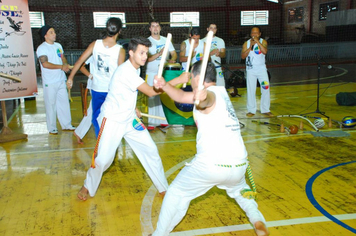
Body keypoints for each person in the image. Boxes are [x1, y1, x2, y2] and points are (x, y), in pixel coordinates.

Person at [151, 61, 269, 236]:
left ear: (198, 78)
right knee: (240, 192)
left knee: (176, 193)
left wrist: (203, 97)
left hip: (211, 166)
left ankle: (159, 234)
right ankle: (258, 221)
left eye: (191, 77)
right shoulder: (222, 93)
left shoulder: (210, 95)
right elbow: (180, 97)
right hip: (238, 165)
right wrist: (165, 86)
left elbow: (206, 101)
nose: (190, 80)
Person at [76, 37, 189, 201]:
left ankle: (163, 188)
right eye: (141, 53)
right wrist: (178, 79)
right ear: (131, 53)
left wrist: (132, 107)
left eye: (146, 53)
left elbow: (121, 89)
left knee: (150, 150)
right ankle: (87, 185)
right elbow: (150, 92)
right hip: (112, 120)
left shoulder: (134, 69)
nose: (145, 56)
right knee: (103, 160)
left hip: (129, 119)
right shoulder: (127, 71)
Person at [67, 17, 125, 137]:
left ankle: (101, 142)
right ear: (119, 31)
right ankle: (107, 143)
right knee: (112, 118)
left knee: (97, 117)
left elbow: (79, 61)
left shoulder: (95, 44)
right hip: (112, 90)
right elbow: (121, 74)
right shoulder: (120, 50)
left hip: (98, 88)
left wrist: (70, 77)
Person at [36, 25, 75, 135]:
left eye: (54, 32)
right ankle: (52, 127)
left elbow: (62, 58)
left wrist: (65, 64)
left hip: (61, 79)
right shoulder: (42, 48)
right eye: (51, 32)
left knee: (64, 103)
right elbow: (45, 64)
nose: (54, 34)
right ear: (45, 35)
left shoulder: (58, 46)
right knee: (51, 104)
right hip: (50, 82)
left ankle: (66, 125)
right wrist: (61, 67)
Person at [146, 19, 177, 130]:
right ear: (150, 29)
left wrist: (172, 59)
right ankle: (151, 122)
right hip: (151, 73)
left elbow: (173, 54)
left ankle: (162, 120)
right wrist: (160, 53)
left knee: (163, 96)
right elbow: (147, 59)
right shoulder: (147, 42)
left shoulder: (166, 40)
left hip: (164, 72)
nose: (155, 28)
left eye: (157, 26)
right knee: (152, 96)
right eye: (153, 26)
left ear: (160, 28)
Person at [241, 26, 273, 117]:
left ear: (259, 34)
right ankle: (251, 110)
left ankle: (265, 109)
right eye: (253, 33)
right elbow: (243, 56)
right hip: (251, 70)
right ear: (250, 34)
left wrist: (257, 42)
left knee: (265, 87)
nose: (254, 35)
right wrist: (250, 46)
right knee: (251, 90)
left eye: (256, 33)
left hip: (261, 69)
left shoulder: (263, 42)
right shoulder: (246, 43)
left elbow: (265, 51)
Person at [73, 57, 94, 144]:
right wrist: (90, 76)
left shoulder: (115, 50)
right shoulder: (96, 51)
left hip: (109, 85)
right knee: (93, 110)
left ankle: (79, 132)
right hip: (96, 86)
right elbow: (81, 66)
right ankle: (79, 132)